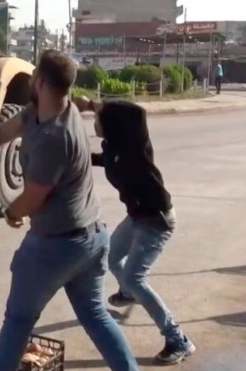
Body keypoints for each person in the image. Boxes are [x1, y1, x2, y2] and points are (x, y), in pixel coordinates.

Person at [0, 50, 139, 371]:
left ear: (40, 81)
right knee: (95, 315)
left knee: (18, 321)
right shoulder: (52, 111)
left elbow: (32, 199)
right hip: (92, 239)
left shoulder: (53, 137)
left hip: (57, 246)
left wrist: (12, 212)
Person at [84, 99, 195, 365]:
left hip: (156, 221)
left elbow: (137, 111)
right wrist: (77, 156)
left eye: (99, 119)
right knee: (110, 256)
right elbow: (101, 160)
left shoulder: (135, 149)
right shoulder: (114, 149)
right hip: (137, 217)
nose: (95, 122)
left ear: (113, 124)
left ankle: (178, 339)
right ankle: (130, 292)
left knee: (135, 277)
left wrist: (91, 103)